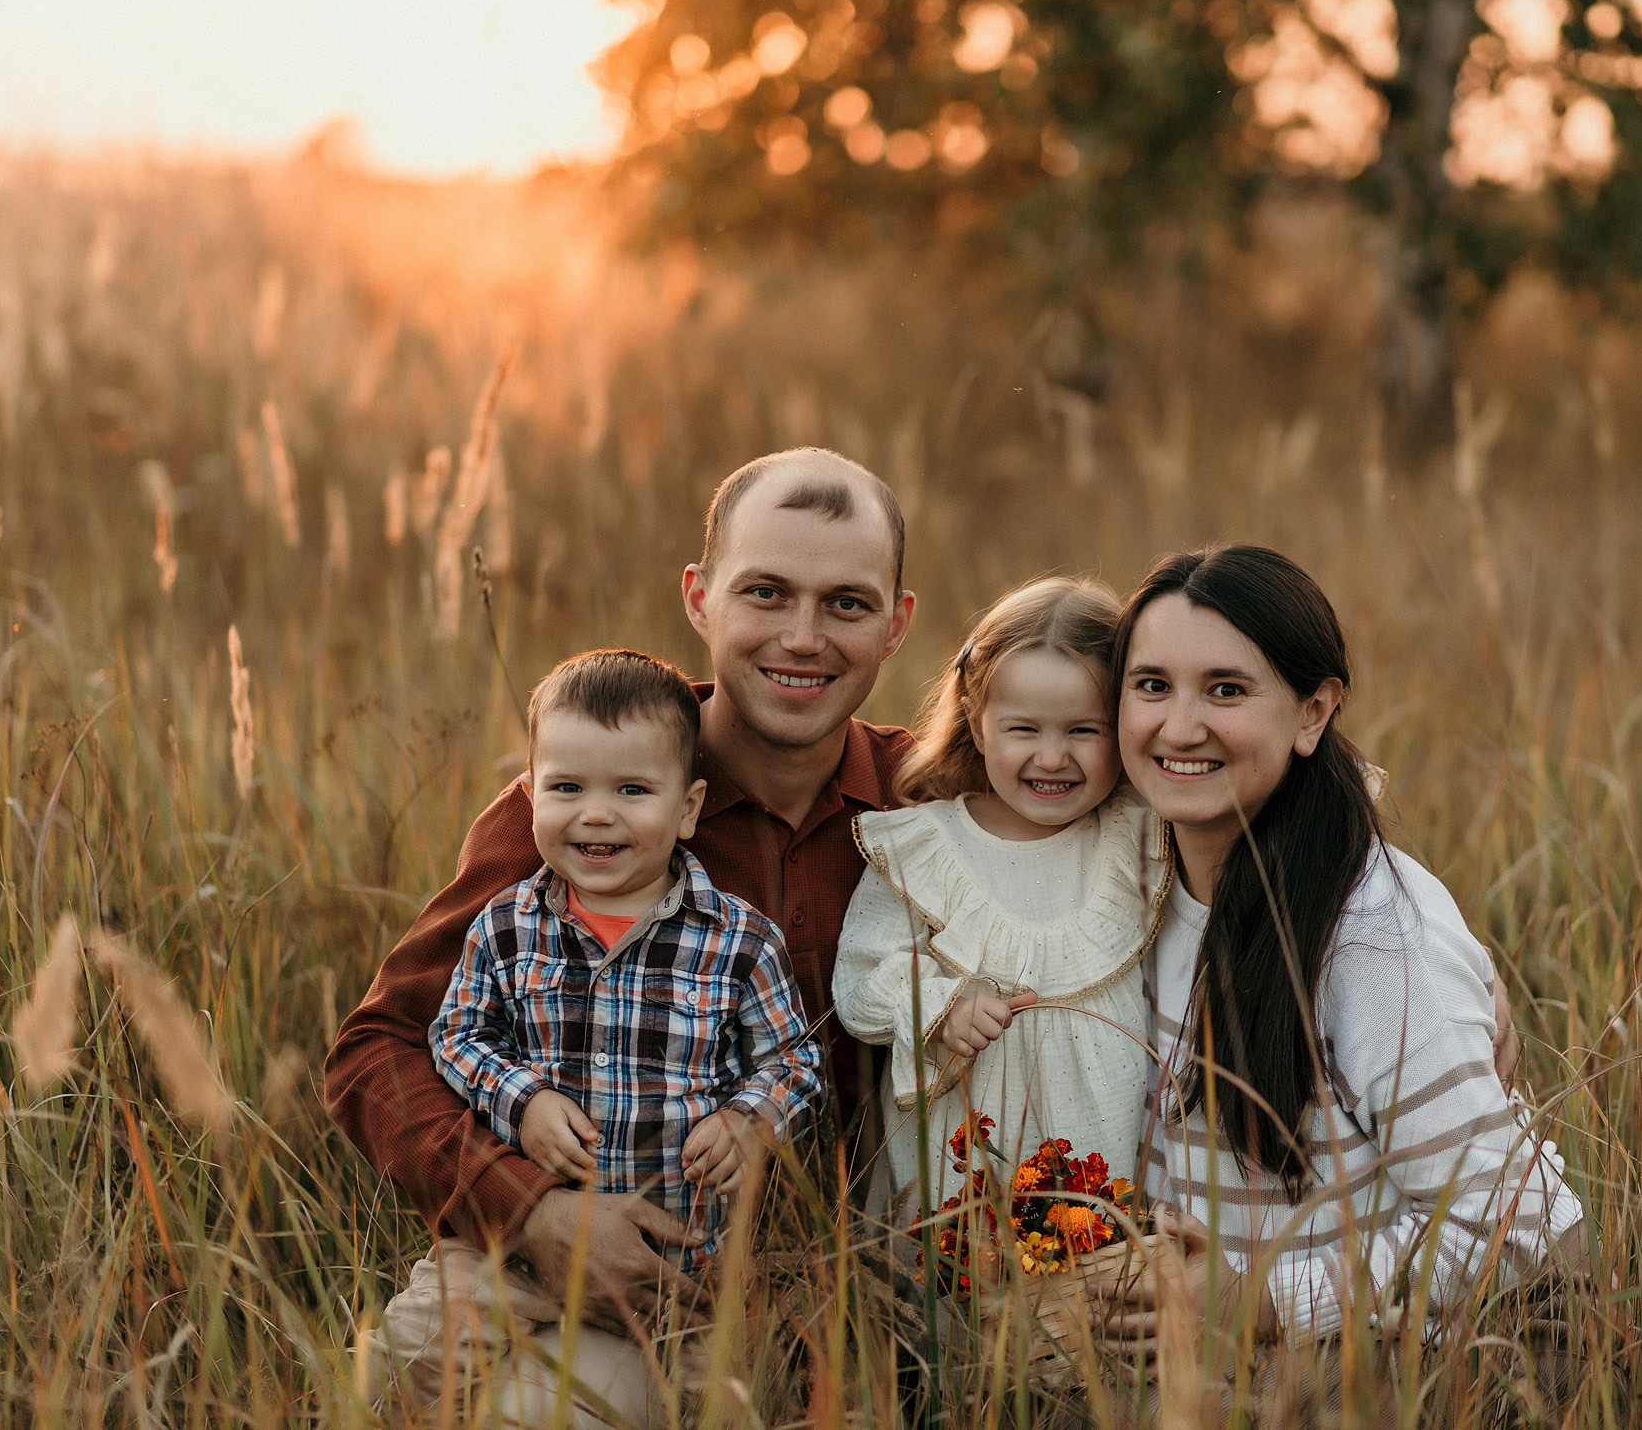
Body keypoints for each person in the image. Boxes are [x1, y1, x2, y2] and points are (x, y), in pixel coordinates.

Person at [324, 448, 916, 1422]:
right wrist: (534, 1214)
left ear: (896, 625)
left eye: (846, 604)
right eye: (764, 593)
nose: (802, 638)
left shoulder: (928, 801)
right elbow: (376, 1053)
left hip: (857, 1292)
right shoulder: (582, 812)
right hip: (623, 1282)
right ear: (699, 598)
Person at [1091, 545, 1583, 1393]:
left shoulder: (1375, 940)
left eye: (1226, 689)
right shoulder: (1129, 862)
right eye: (1151, 685)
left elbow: (1524, 1229)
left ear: (1314, 711)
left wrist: (1260, 1299)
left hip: (1407, 1371)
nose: (1178, 726)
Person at [388, 649, 825, 1419]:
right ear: (529, 796)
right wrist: (522, 1101)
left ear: (686, 808)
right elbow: (455, 1034)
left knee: (723, 1402)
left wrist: (746, 1119)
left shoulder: (735, 941)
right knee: (410, 1346)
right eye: (566, 787)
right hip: (509, 1250)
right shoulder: (508, 926)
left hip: (675, 1267)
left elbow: (795, 1059)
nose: (596, 813)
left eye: (631, 789)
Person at [833, 577, 1160, 1220]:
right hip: (960, 1163)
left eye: (1084, 731)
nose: (1052, 756)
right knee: (966, 1298)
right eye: (1023, 729)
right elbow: (862, 977)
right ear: (978, 727)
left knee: (1096, 1300)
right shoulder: (925, 847)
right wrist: (941, 1006)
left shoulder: (1139, 837)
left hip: (1106, 1150)